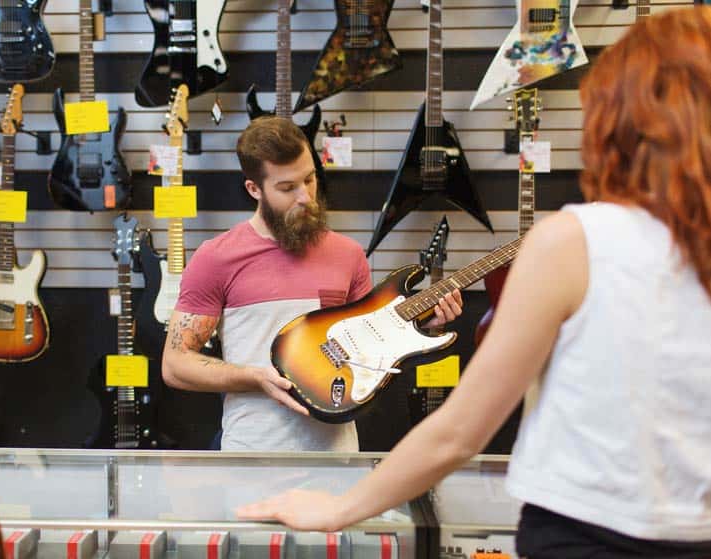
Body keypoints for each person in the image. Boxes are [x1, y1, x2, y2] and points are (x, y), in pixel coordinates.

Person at [238, 8, 711, 558]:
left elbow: (460, 432)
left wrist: (338, 509)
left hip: (581, 533)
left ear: (620, 119)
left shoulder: (574, 241)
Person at [161, 116, 463, 451]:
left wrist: (423, 324)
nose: (306, 197)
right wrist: (254, 377)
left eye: (310, 179)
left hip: (336, 458)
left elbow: (370, 348)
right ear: (254, 189)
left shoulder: (348, 255)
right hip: (252, 455)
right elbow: (175, 365)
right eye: (288, 188)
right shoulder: (216, 258)